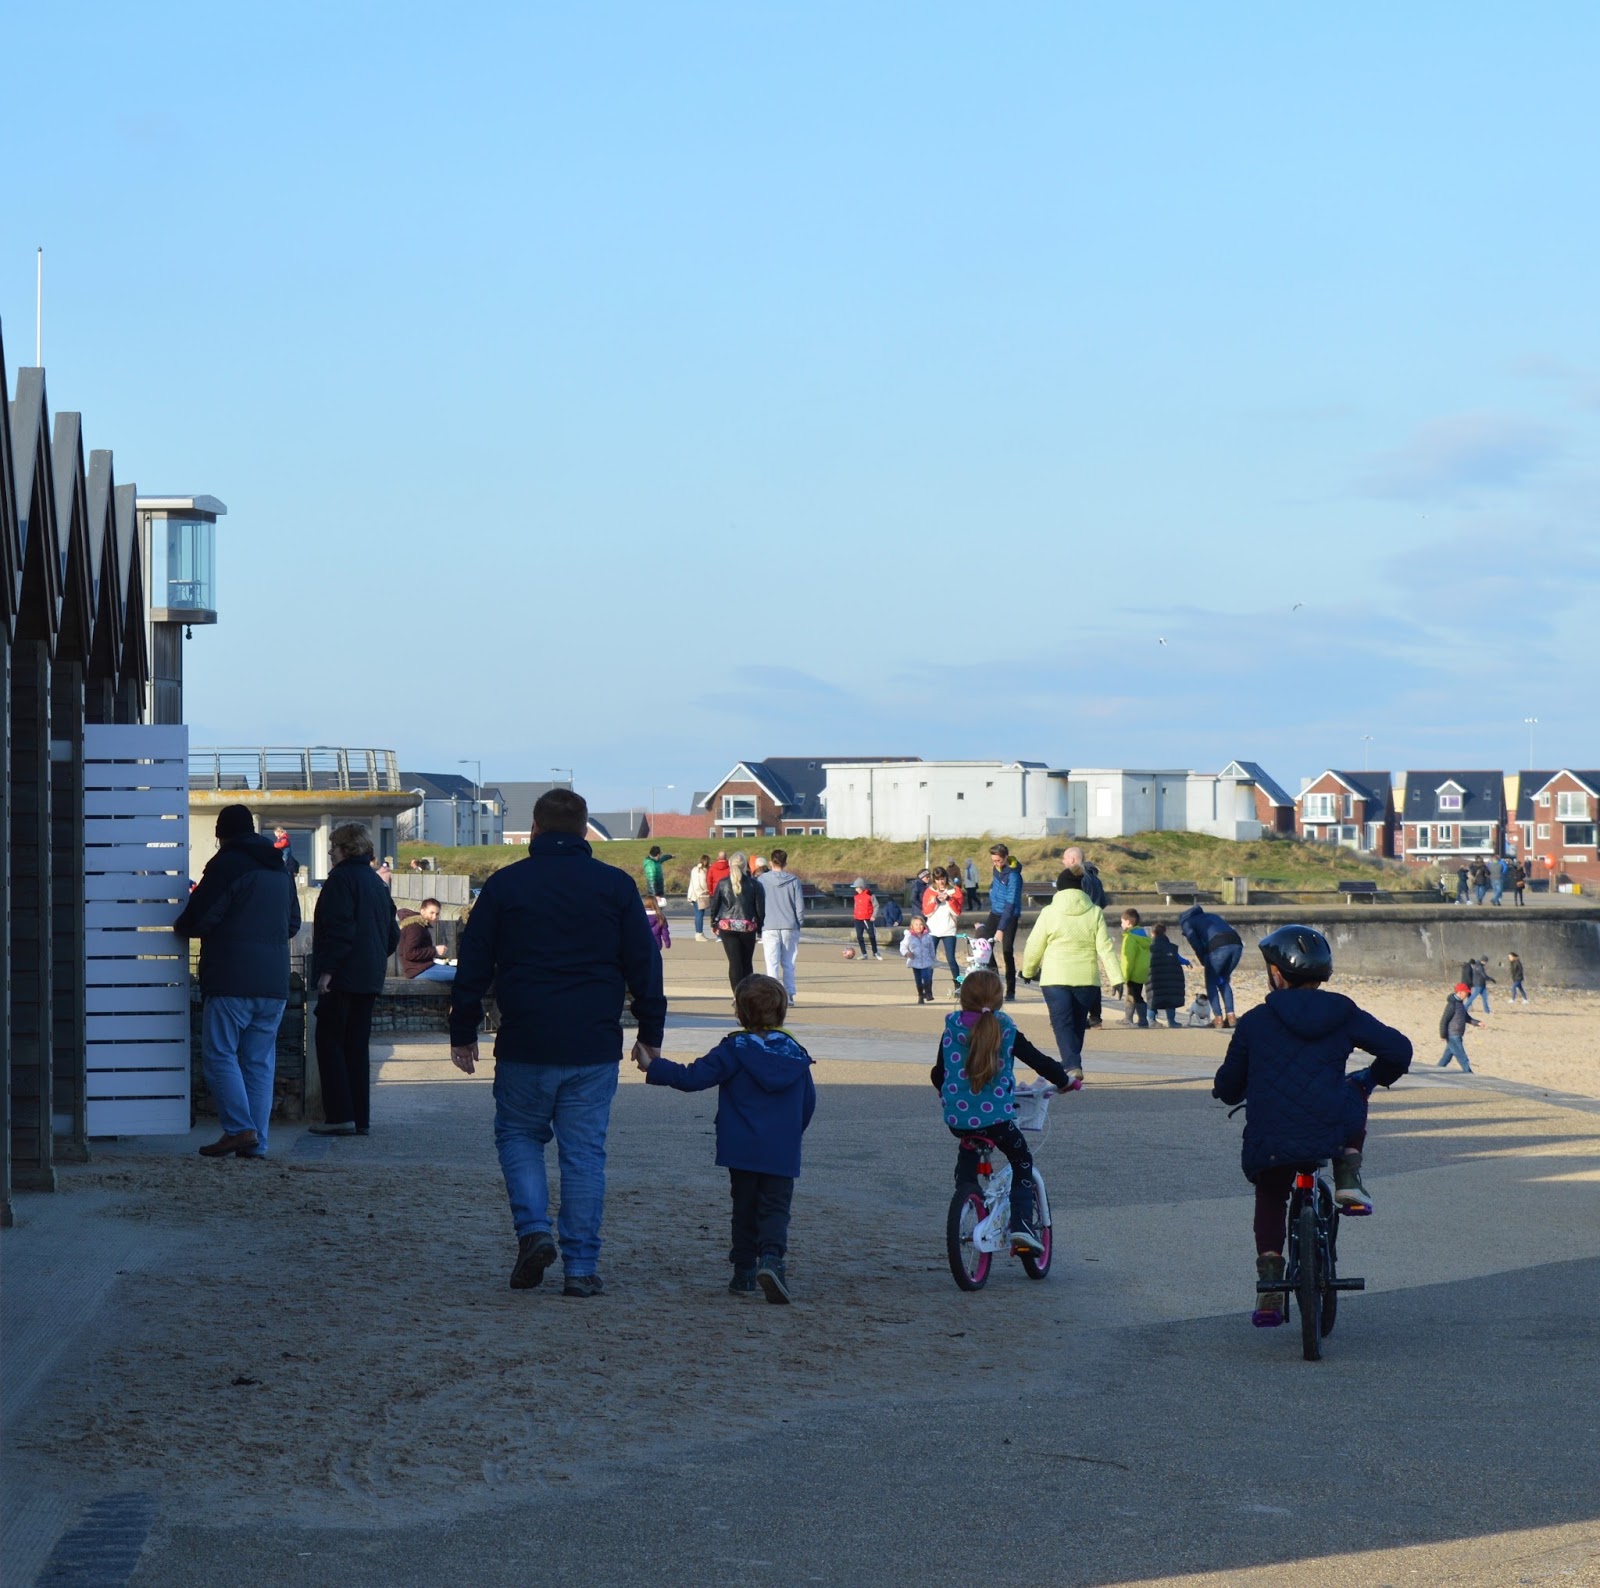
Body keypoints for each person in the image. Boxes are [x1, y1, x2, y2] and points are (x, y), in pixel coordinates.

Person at [448, 788, 666, 1298]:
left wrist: (463, 1031)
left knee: (519, 1136)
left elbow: (474, 960)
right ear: (586, 830)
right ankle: (581, 1267)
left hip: (526, 1036)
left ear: (536, 828)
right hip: (593, 1040)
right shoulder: (615, 886)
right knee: (584, 1154)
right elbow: (644, 962)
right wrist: (649, 1034)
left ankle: (534, 1231)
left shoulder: (506, 885)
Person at [1212, 924, 1411, 1327]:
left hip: (1272, 1137)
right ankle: (1348, 1175)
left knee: (1272, 1193)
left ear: (1276, 974)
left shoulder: (1255, 1021)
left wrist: (1231, 1090)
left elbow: (1229, 1086)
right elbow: (1399, 1050)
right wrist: (1371, 1078)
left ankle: (1270, 1287)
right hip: (1330, 1128)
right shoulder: (1343, 1012)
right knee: (1353, 1089)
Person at [639, 973, 815, 1303]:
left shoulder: (734, 1049)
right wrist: (793, 1134)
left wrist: (654, 1066)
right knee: (775, 1208)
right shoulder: (796, 1054)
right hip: (781, 1147)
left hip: (741, 1146)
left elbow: (692, 1077)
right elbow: (808, 1103)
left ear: (740, 1013)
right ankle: (772, 1260)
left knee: (744, 1208)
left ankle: (744, 1271)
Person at [173, 805, 301, 1158]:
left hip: (231, 977)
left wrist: (181, 926)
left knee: (219, 1055)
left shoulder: (226, 865)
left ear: (222, 835)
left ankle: (239, 1130)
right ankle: (256, 1142)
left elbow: (198, 919)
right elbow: (292, 924)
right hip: (274, 983)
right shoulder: (280, 867)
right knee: (259, 1062)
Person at [932, 969, 1079, 1253]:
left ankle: (966, 1197)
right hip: (996, 1119)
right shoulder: (1005, 1028)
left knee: (969, 1145)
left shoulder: (951, 1027)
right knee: (1021, 1159)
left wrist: (945, 1089)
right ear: (999, 1000)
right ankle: (1022, 1226)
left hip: (957, 1118)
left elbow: (939, 1072)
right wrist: (1065, 1081)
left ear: (963, 999)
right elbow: (1039, 1061)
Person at [310, 823, 401, 1137]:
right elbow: (392, 935)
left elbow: (339, 929)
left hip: (343, 977)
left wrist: (328, 971)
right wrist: (372, 959)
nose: (330, 852)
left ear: (346, 849)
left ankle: (339, 1115)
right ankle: (359, 1118)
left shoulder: (341, 880)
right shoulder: (376, 883)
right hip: (368, 977)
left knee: (330, 1042)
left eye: (334, 847)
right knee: (357, 1047)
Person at [1019, 870, 1119, 1079]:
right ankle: (1071, 1064)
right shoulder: (1094, 912)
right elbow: (1106, 948)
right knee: (1078, 1024)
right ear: (1081, 887)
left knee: (1062, 1022)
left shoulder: (1049, 912)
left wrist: (1029, 970)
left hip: (1055, 977)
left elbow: (1034, 945)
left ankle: (1072, 1065)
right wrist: (1116, 978)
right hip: (1086, 978)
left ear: (1059, 887)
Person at [1178, 903, 1245, 1029]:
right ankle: (1231, 1016)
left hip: (1217, 946)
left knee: (1211, 982)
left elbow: (1195, 942)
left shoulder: (1186, 922)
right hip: (1236, 944)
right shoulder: (1210, 915)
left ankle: (1218, 1018)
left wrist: (1203, 959)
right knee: (1223, 980)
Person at [709, 851, 765, 993]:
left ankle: (736, 994)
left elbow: (715, 904)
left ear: (730, 865)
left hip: (727, 925)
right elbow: (760, 908)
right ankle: (747, 993)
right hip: (747, 926)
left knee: (734, 962)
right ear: (745, 865)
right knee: (746, 962)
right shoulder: (754, 884)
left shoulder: (722, 883)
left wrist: (713, 922)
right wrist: (760, 928)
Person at [756, 848, 805, 1000]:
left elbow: (758, 904)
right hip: (789, 924)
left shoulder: (762, 880)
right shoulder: (794, 881)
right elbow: (799, 906)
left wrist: (759, 923)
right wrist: (799, 923)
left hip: (769, 925)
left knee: (772, 963)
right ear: (785, 863)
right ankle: (789, 994)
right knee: (788, 963)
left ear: (771, 862)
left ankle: (774, 995)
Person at [984, 844, 1024, 999]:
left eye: (999, 860)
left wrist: (1000, 929)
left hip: (1009, 915)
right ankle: (995, 982)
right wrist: (991, 894)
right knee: (984, 946)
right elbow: (994, 885)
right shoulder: (997, 869)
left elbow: (1010, 903)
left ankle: (1011, 990)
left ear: (1006, 857)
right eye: (993, 861)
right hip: (995, 912)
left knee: (1007, 951)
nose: (996, 863)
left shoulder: (1014, 877)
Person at [922, 867, 964, 993]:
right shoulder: (929, 891)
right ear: (934, 879)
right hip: (933, 930)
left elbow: (957, 912)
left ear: (946, 878)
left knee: (951, 959)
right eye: (938, 879)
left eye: (943, 879)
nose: (941, 882)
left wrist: (949, 899)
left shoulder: (955, 891)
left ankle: (958, 987)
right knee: (930, 959)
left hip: (949, 930)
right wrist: (935, 901)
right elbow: (926, 912)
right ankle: (927, 988)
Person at [398, 897, 455, 982]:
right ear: (422, 911)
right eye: (431, 913)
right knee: (463, 974)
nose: (434, 917)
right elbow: (409, 953)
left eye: (437, 914)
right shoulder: (415, 927)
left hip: (421, 967)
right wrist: (435, 950)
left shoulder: (419, 925)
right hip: (417, 970)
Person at [1146, 923, 1190, 1029]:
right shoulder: (1171, 947)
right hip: (1171, 979)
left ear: (1152, 933)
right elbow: (1179, 958)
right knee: (1170, 1000)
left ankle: (1150, 1020)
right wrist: (1187, 962)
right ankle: (1171, 1021)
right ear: (1165, 932)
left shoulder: (1149, 948)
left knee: (1153, 999)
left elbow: (1144, 960)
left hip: (1155, 978)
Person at [1117, 908, 1151, 1028]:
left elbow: (1128, 959)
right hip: (1142, 971)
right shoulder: (1143, 936)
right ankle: (1129, 1018)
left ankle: (1141, 1020)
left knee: (1134, 996)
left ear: (1128, 922)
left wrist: (1125, 975)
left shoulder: (1130, 937)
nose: (1121, 924)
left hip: (1133, 972)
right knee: (1133, 995)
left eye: (1122, 922)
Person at [1439, 982, 1479, 1071]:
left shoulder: (1460, 1004)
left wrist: (1477, 1023)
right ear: (1460, 992)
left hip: (1457, 1034)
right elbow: (1444, 1020)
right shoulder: (1452, 1005)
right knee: (1463, 1058)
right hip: (1453, 1035)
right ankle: (1469, 1074)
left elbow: (1466, 1018)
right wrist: (1443, 1035)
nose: (1467, 994)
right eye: (1466, 992)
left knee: (1446, 1058)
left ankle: (1436, 1070)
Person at [901, 914, 938, 1004]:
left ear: (924, 925)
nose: (918, 927)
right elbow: (903, 946)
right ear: (912, 926)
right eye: (916, 925)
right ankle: (920, 995)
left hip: (926, 961)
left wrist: (933, 959)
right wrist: (906, 953)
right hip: (915, 961)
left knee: (926, 977)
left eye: (921, 924)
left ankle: (928, 992)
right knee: (918, 980)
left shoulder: (928, 936)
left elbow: (931, 949)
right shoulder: (909, 936)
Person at [850, 877, 882, 961]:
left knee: (872, 936)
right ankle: (864, 954)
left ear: (861, 887)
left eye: (857, 887)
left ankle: (875, 952)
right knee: (859, 937)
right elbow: (856, 906)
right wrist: (855, 914)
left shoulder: (870, 895)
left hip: (867, 919)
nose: (856, 889)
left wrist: (873, 916)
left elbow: (876, 906)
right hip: (858, 919)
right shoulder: (856, 896)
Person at [687, 854, 713, 941]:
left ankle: (699, 933)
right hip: (700, 894)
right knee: (699, 914)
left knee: (698, 914)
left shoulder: (694, 869)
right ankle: (699, 933)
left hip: (693, 894)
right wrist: (707, 890)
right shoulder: (703, 871)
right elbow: (702, 883)